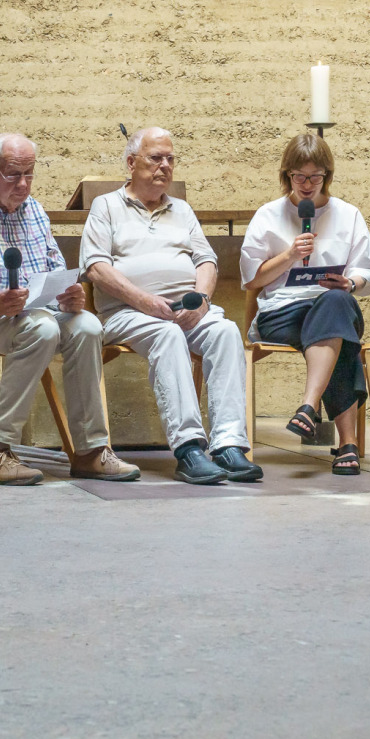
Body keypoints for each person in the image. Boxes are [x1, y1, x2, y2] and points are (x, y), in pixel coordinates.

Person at [0, 132, 140, 485]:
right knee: (41, 328)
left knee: (87, 326)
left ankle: (90, 451)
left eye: (30, 173)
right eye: (13, 174)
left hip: (25, 315)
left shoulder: (35, 211)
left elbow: (54, 271)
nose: (23, 184)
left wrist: (68, 296)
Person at [81, 127, 259, 484]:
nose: (165, 166)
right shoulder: (106, 206)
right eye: (155, 158)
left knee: (226, 332)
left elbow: (206, 260)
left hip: (186, 309)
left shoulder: (182, 209)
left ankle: (228, 445)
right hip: (128, 312)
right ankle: (188, 448)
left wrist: (203, 300)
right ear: (131, 163)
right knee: (167, 334)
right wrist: (145, 301)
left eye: (170, 159)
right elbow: (95, 267)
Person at [240, 133, 370, 475]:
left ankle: (308, 406)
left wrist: (350, 283)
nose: (306, 185)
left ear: (326, 176)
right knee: (340, 335)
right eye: (298, 176)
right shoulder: (268, 215)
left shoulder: (348, 214)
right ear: (286, 174)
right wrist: (289, 255)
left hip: (332, 304)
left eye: (315, 177)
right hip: (282, 313)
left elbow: (368, 274)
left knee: (335, 302)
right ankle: (347, 444)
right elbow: (251, 279)